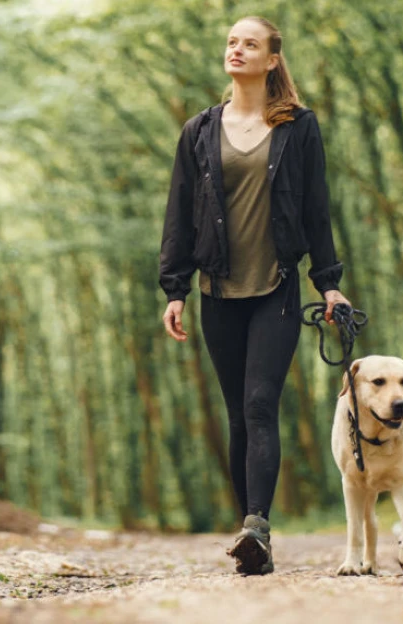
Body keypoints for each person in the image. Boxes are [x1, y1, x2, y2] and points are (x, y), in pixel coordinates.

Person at [158, 15, 351, 576]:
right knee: (237, 418)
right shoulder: (198, 130)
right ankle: (251, 535)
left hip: (278, 288)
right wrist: (175, 288)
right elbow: (178, 212)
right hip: (217, 288)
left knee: (261, 404)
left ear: (272, 60)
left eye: (250, 43)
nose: (236, 49)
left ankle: (257, 527)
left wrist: (330, 281)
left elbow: (316, 207)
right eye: (231, 42)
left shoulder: (298, 127)